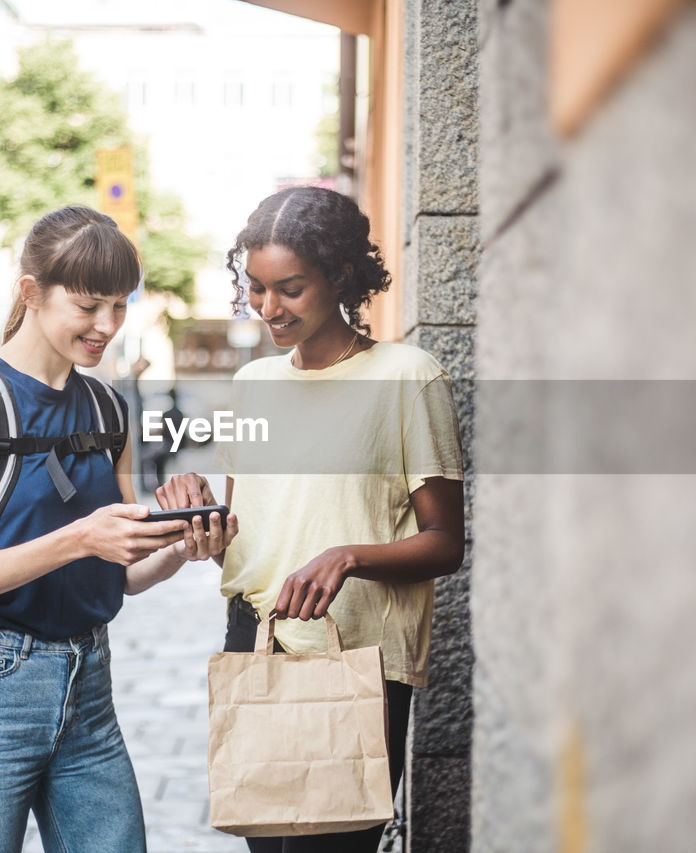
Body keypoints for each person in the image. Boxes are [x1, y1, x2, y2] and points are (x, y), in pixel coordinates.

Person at [0, 205, 235, 853]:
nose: (107, 325)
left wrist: (179, 542)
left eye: (120, 305)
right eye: (89, 306)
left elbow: (122, 574)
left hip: (89, 685)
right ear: (31, 292)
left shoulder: (108, 406)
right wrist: (80, 537)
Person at [157, 186, 465, 853]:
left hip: (356, 658)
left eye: (289, 288)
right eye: (257, 288)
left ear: (342, 277)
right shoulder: (254, 385)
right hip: (258, 640)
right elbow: (244, 536)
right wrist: (199, 517)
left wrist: (348, 555)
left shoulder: (408, 378)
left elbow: (446, 542)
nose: (269, 308)